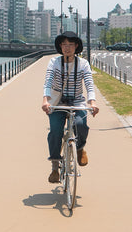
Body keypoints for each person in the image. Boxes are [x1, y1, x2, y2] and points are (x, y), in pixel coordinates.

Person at [41, 31, 99, 183]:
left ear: (76, 46)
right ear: (60, 46)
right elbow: (47, 82)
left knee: (81, 125)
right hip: (57, 103)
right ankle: (55, 166)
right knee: (55, 131)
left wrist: (92, 102)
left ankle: (80, 148)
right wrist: (45, 100)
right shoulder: (54, 62)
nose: (67, 48)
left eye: (70, 45)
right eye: (64, 45)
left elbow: (89, 84)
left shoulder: (83, 64)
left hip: (77, 101)